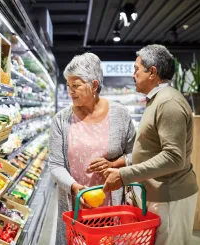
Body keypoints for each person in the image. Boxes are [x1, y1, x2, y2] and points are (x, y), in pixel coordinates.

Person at [102, 44, 198, 245]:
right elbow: (152, 148)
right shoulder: (157, 100)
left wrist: (124, 175)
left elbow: (173, 157)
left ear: (152, 72)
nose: (133, 75)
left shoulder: (168, 103)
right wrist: (124, 163)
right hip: (160, 195)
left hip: (171, 197)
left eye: (136, 69)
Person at [49, 53, 136, 245]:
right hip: (76, 206)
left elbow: (135, 154)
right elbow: (55, 164)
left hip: (111, 207)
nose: (70, 91)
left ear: (94, 85)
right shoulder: (61, 120)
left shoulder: (120, 115)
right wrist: (74, 187)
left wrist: (114, 163)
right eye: (68, 85)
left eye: (76, 85)